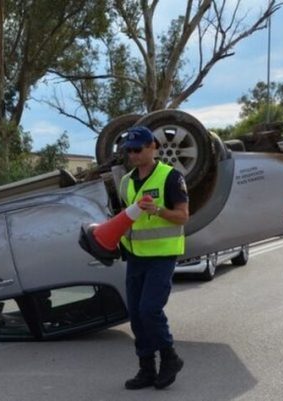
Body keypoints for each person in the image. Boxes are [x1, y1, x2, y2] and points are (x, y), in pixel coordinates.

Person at [118, 126, 189, 390]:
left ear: (153, 147)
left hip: (162, 255)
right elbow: (126, 218)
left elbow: (183, 216)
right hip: (135, 256)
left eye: (138, 149)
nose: (133, 155)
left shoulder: (171, 177)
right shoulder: (125, 181)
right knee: (135, 315)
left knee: (150, 310)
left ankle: (170, 357)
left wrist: (158, 209)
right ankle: (146, 369)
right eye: (129, 151)